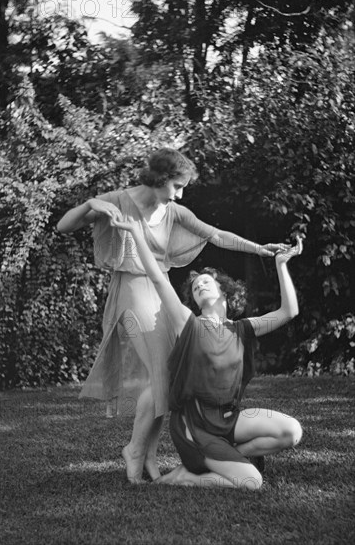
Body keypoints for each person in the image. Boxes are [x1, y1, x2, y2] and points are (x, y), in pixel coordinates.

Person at [57, 147, 289, 483]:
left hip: (159, 289)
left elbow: (216, 235)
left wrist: (260, 248)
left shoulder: (173, 211)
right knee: (160, 375)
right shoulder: (119, 200)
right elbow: (64, 225)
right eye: (177, 186)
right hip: (133, 290)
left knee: (166, 377)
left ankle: (146, 454)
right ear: (160, 179)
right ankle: (136, 450)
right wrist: (92, 204)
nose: (180, 194)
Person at [111, 214, 303, 489]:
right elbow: (156, 276)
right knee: (252, 483)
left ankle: (228, 457)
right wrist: (134, 232)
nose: (199, 284)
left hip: (228, 418)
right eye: (195, 286)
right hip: (195, 426)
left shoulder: (241, 329)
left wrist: (281, 264)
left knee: (292, 432)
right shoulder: (187, 323)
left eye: (206, 282)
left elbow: (288, 312)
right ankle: (183, 476)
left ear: (225, 292)